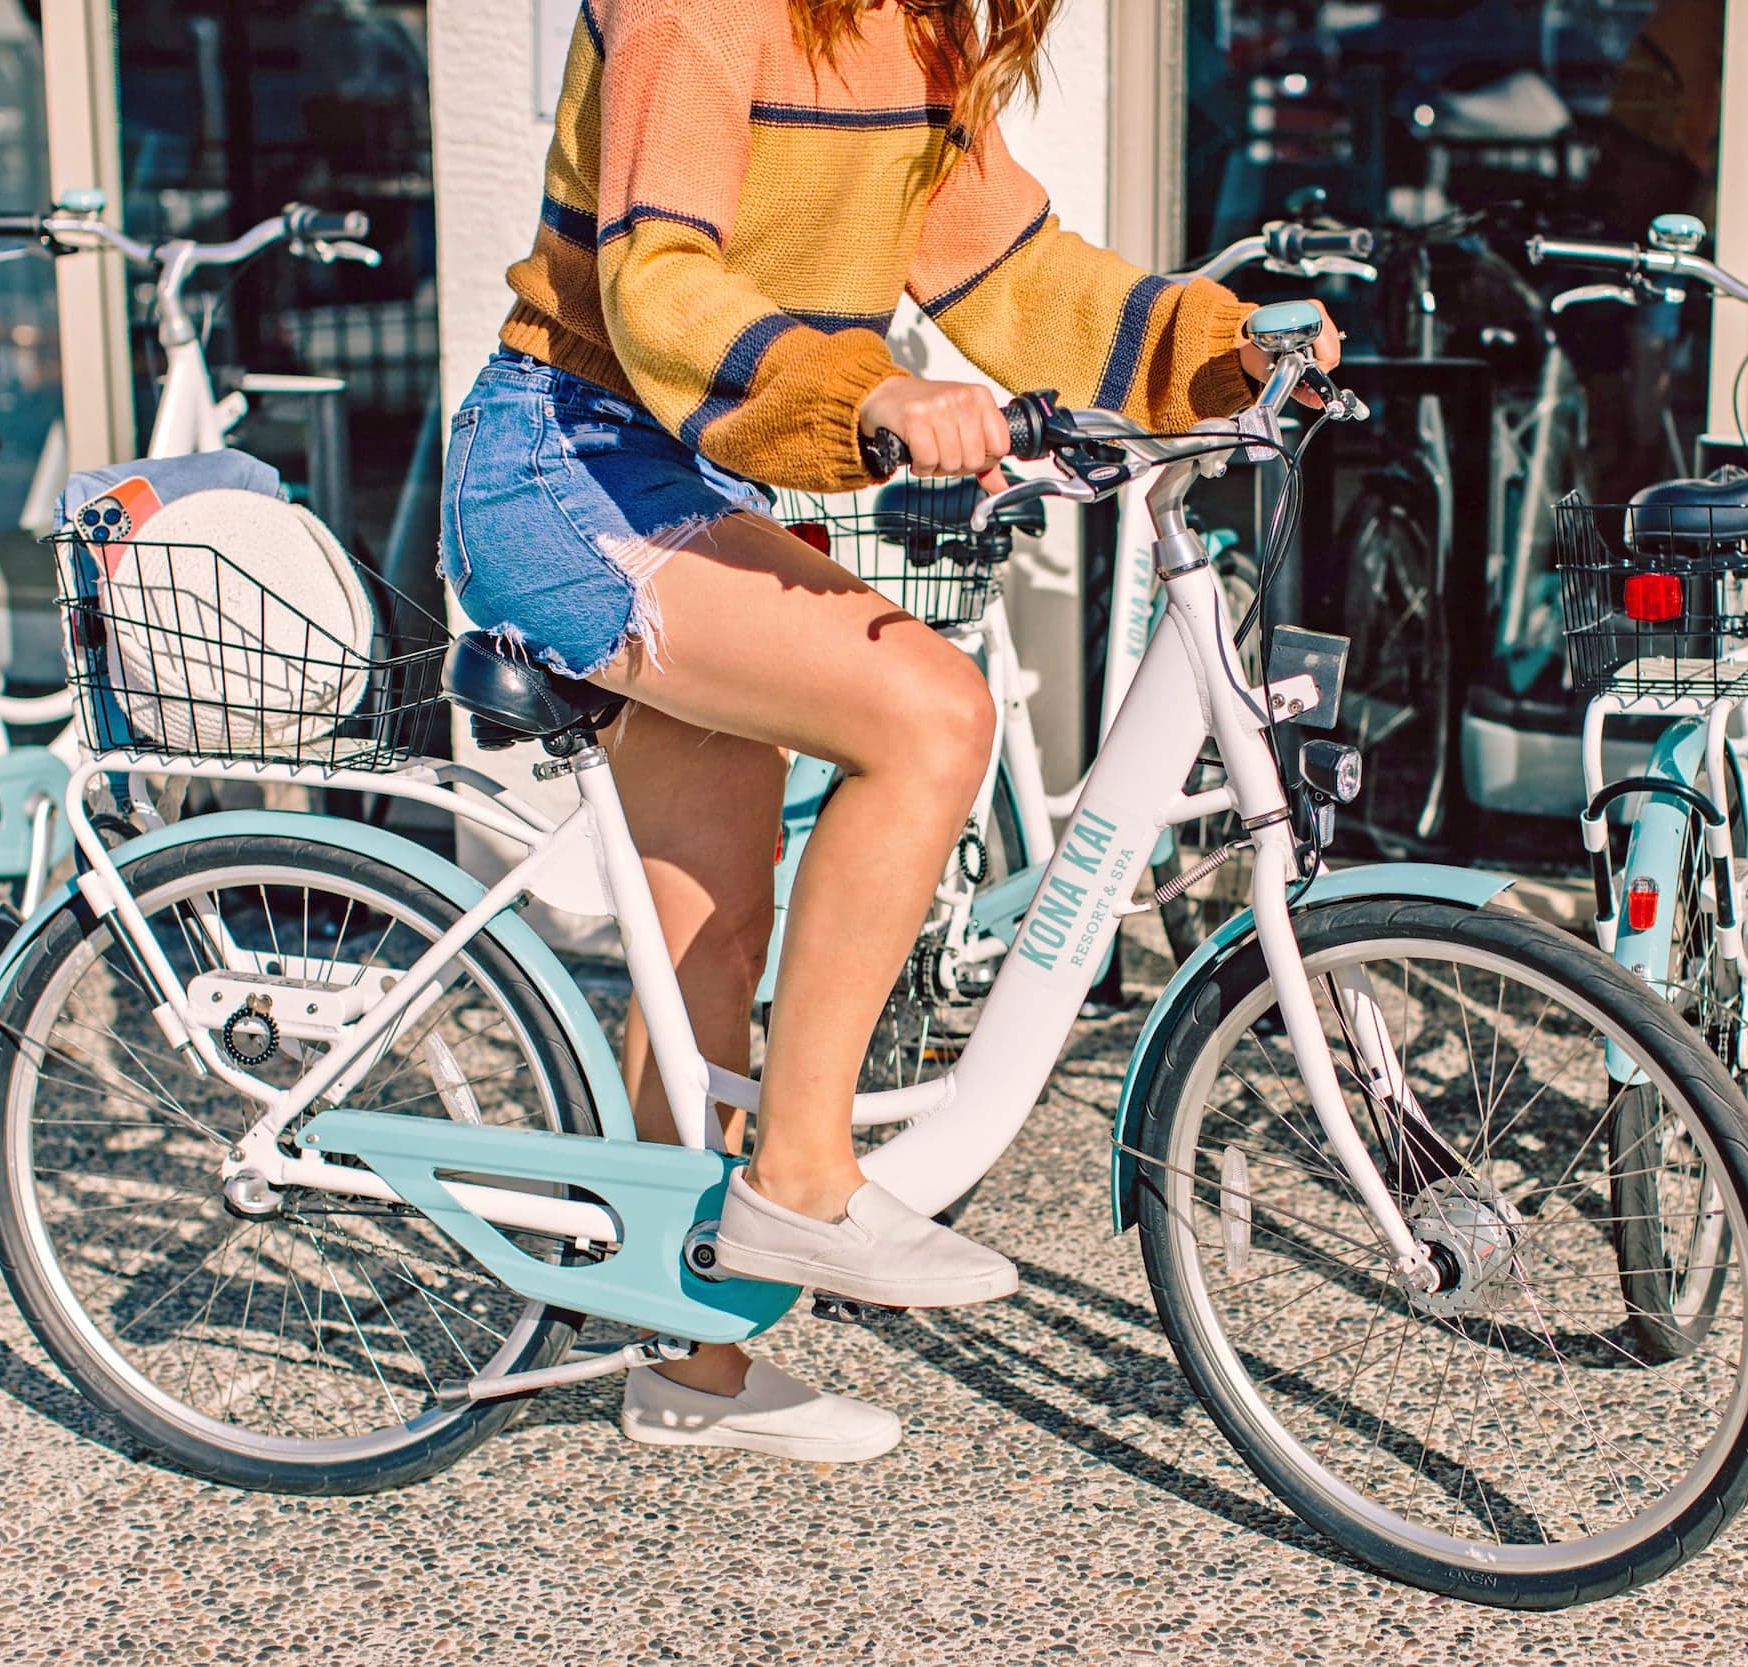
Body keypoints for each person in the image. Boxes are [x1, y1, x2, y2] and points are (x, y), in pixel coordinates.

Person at [441, 0, 1334, 1465]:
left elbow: (1022, 273)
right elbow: (658, 278)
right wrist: (877, 390)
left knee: (707, 934)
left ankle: (690, 1366)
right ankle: (801, 1173)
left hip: (700, 483)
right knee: (931, 713)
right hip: (565, 464)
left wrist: (1222, 347)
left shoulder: (916, 39)